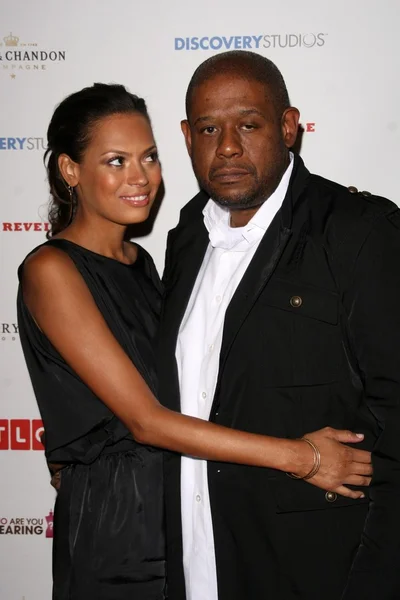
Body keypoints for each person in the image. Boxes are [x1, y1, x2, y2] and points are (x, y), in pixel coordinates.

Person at [17, 83, 370, 600]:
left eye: (149, 157)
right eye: (116, 161)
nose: (140, 178)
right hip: (121, 528)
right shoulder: (52, 269)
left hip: (185, 508)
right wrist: (303, 458)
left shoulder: (146, 265)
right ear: (71, 171)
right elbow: (144, 419)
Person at [157, 50, 400, 600]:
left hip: (318, 574)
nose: (227, 147)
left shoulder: (359, 232)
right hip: (199, 565)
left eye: (249, 124)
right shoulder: (185, 238)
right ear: (186, 135)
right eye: (208, 129)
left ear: (289, 127)